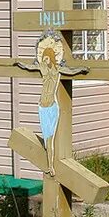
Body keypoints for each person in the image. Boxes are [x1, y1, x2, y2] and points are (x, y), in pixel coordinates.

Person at [14, 31, 88, 174]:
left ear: (52, 57)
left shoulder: (58, 70)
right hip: (42, 105)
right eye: (44, 57)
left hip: (52, 107)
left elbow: (72, 71)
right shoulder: (42, 69)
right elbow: (30, 67)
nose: (45, 60)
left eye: (47, 58)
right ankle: (49, 163)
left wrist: (81, 69)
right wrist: (20, 64)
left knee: (50, 139)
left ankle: (51, 166)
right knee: (46, 136)